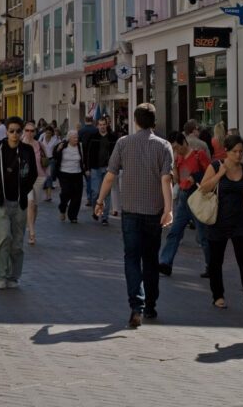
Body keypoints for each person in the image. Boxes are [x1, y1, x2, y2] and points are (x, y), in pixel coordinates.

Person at [95, 103, 173, 328]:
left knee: (131, 257)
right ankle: (150, 305)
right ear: (154, 121)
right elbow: (166, 179)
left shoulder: (123, 143)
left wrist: (100, 201)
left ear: (135, 121)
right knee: (150, 258)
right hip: (153, 211)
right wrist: (168, 210)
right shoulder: (164, 146)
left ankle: (136, 306)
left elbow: (110, 176)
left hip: (130, 212)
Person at [199, 132, 243, 314]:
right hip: (218, 220)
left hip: (240, 221)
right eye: (234, 151)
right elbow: (204, 188)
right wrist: (219, 174)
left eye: (240, 152)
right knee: (215, 261)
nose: (238, 155)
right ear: (226, 151)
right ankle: (217, 296)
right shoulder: (215, 166)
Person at [0, 115, 37, 289]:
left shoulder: (27, 151)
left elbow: (33, 174)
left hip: (20, 202)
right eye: (12, 131)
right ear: (6, 132)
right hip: (1, 202)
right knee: (3, 238)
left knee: (17, 243)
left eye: (18, 131)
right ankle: (1, 276)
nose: (15, 135)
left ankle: (13, 276)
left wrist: (24, 190)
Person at [158, 131, 210, 277]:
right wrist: (173, 164)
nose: (176, 150)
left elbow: (210, 173)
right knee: (174, 231)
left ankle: (211, 265)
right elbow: (177, 180)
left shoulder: (198, 155)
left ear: (184, 143)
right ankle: (165, 262)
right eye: (173, 148)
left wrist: (196, 177)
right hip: (183, 197)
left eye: (176, 147)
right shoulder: (178, 158)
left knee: (203, 235)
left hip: (197, 197)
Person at [85, 116, 118, 225]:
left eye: (104, 124)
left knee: (107, 193)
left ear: (107, 125)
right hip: (95, 168)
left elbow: (116, 154)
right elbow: (88, 153)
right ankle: (96, 211)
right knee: (95, 192)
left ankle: (105, 217)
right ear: (97, 125)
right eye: (100, 124)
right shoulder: (93, 137)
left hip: (108, 169)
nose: (102, 127)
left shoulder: (112, 138)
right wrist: (87, 168)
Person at [54, 130, 86, 223]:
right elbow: (54, 156)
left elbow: (84, 158)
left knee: (77, 196)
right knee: (66, 193)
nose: (76, 139)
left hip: (77, 173)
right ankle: (62, 208)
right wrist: (58, 150)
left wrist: (85, 169)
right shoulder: (63, 145)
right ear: (69, 138)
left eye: (77, 137)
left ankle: (73, 216)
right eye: (74, 137)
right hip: (65, 173)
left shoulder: (80, 146)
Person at [22, 121, 46, 244]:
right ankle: (31, 232)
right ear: (24, 131)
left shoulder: (39, 145)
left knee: (35, 205)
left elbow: (46, 160)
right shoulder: (20, 145)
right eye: (27, 130)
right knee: (30, 202)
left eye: (32, 131)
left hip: (39, 178)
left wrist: (46, 174)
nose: (29, 133)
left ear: (35, 132)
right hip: (25, 179)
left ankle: (31, 225)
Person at [78, 114, 98, 206]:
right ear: (92, 120)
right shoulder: (96, 130)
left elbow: (78, 144)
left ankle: (89, 198)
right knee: (95, 179)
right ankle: (95, 197)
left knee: (88, 179)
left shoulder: (81, 131)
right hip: (95, 158)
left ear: (85, 120)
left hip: (85, 158)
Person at [39, 125, 59, 201]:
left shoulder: (55, 139)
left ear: (52, 133)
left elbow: (58, 148)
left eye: (49, 133)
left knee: (49, 177)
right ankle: (46, 195)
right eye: (47, 132)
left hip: (51, 160)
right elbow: (38, 146)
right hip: (43, 159)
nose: (48, 134)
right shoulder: (42, 137)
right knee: (45, 177)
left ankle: (49, 196)